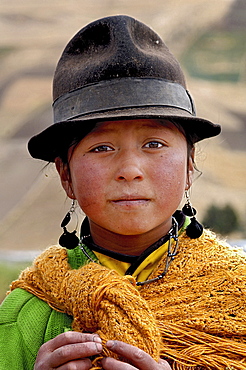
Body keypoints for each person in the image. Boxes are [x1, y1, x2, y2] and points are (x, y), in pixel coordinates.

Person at [0, 14, 246, 370]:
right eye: (102, 148)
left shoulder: (237, 291)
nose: (130, 170)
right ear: (65, 174)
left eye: (154, 143)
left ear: (189, 165)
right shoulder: (24, 314)